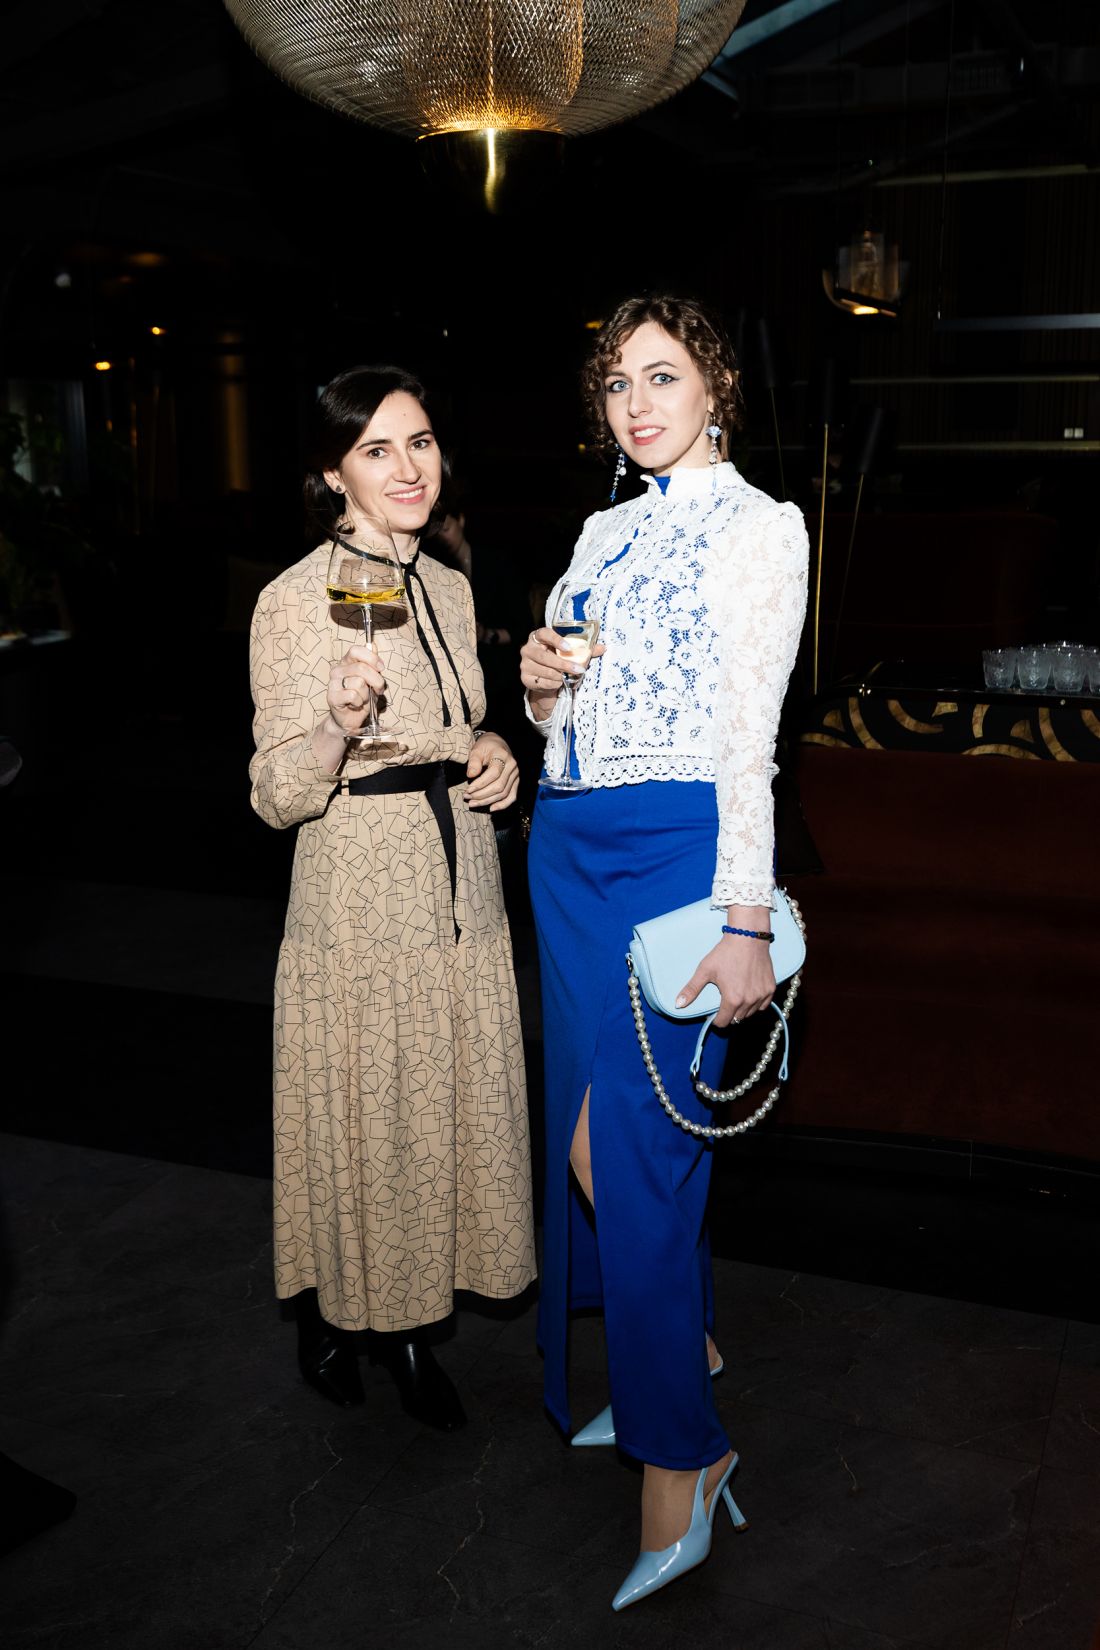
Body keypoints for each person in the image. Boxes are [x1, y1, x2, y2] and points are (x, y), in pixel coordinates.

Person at [520, 295, 809, 1607]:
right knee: (598, 1140)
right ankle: (670, 1360)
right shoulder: (602, 527)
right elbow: (573, 715)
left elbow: (748, 737)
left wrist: (745, 920)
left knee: (623, 1156)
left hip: (677, 856)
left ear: (716, 389)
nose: (636, 403)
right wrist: (541, 687)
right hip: (569, 851)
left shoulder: (761, 527)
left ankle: (681, 1458)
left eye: (662, 376)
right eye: (616, 383)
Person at [249, 366, 536, 1431]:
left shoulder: (451, 586)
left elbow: (457, 724)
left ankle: (396, 1316)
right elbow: (274, 794)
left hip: (461, 885)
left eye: (418, 443)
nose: (408, 467)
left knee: (438, 1106)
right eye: (375, 449)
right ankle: (366, 1323)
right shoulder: (290, 600)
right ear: (334, 474)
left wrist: (495, 750)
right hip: (361, 894)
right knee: (375, 1114)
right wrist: (333, 724)